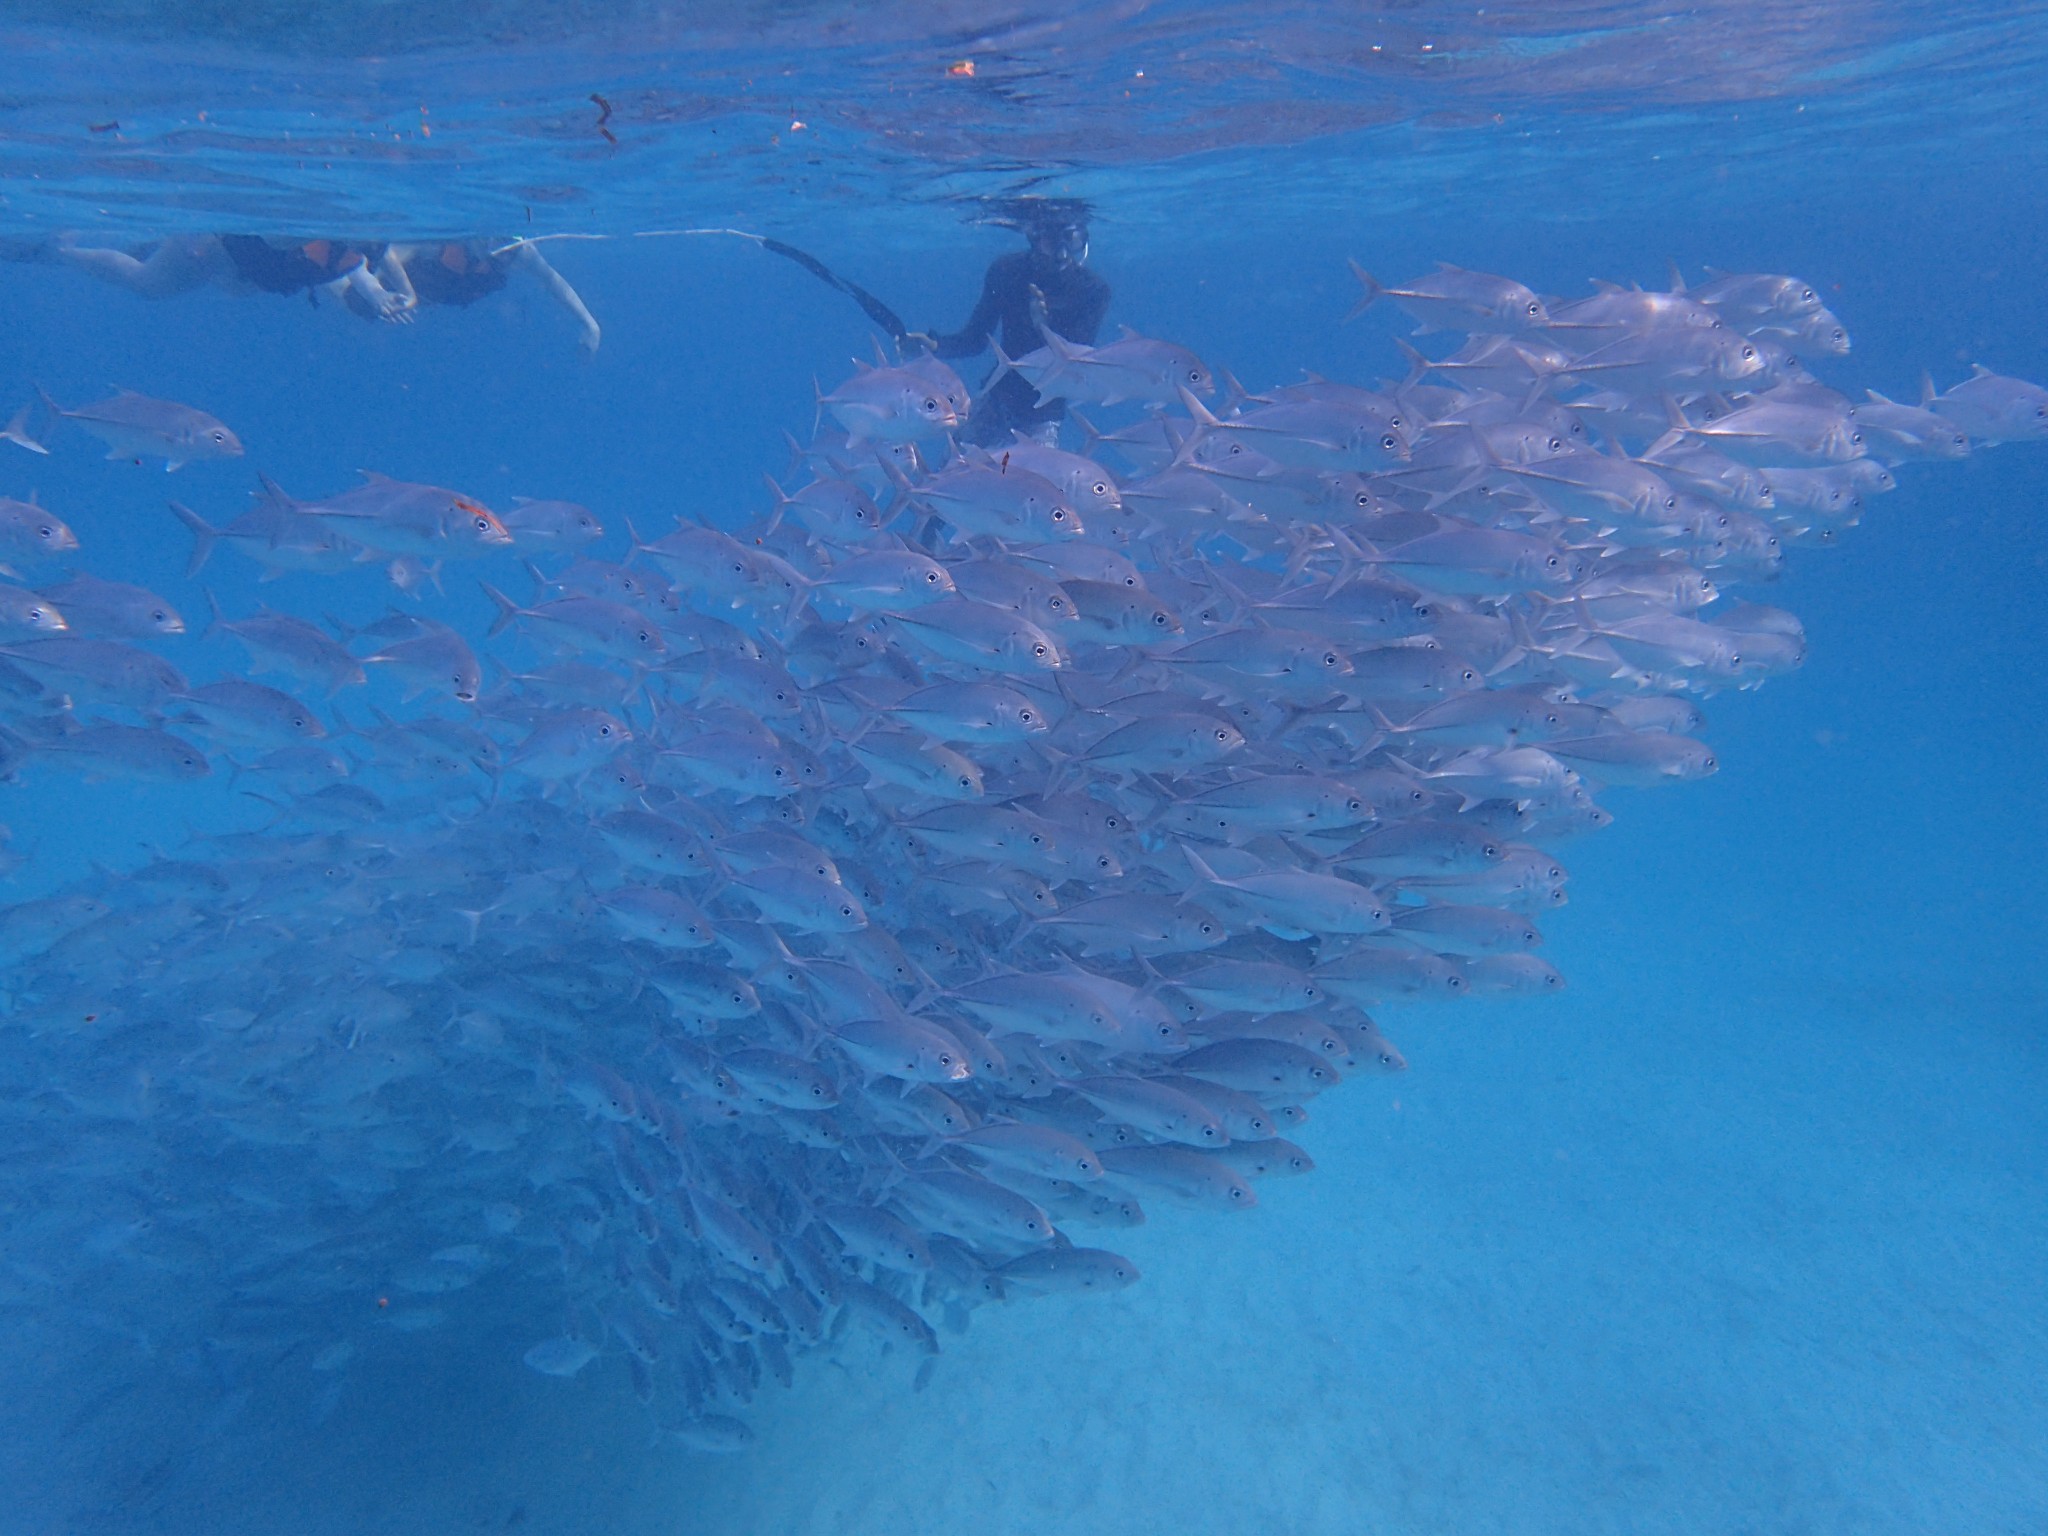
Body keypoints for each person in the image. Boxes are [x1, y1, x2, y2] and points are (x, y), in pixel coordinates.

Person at [919, 198, 1109, 445]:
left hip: (1044, 412)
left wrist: (1044, 326)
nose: (1063, 253)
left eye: (1072, 241)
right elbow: (976, 340)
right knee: (952, 474)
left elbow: (1076, 361)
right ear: (1034, 239)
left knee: (1036, 483)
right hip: (997, 396)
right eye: (1052, 243)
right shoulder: (1007, 272)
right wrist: (934, 346)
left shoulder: (1092, 290)